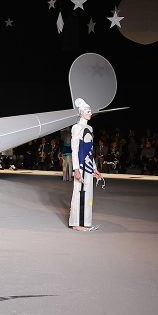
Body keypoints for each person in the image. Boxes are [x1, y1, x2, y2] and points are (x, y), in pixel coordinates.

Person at [69, 98, 103, 231]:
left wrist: (94, 168)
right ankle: (76, 223)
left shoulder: (89, 127)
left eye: (90, 111)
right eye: (88, 111)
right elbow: (75, 149)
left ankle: (86, 222)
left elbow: (90, 151)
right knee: (78, 193)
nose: (90, 113)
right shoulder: (76, 128)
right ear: (81, 112)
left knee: (88, 194)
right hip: (81, 167)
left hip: (88, 166)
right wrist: (76, 168)